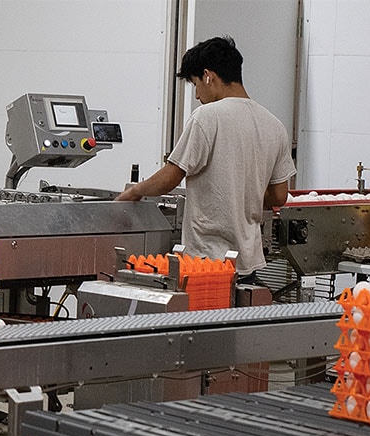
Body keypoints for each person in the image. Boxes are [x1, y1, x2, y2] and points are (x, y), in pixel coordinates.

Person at [116, 36, 296, 282]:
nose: (198, 96)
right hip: (247, 265)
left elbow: (170, 178)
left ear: (208, 76)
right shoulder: (274, 125)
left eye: (195, 84)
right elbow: (279, 196)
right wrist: (243, 195)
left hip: (206, 263)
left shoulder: (207, 117)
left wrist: (133, 193)